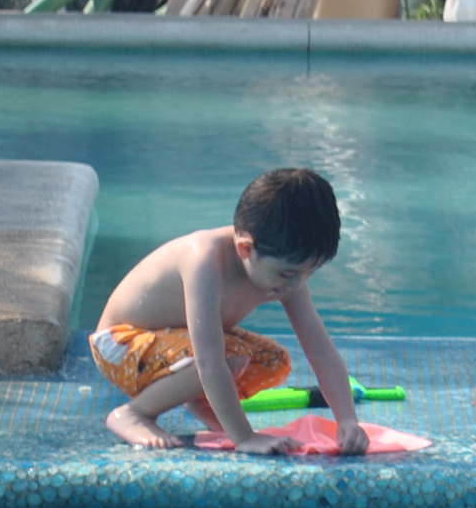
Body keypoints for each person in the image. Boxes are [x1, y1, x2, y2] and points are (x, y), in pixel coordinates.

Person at [92, 166, 368, 457]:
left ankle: (201, 404)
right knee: (228, 356)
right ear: (246, 249)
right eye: (288, 274)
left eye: (309, 273)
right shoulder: (205, 261)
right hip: (120, 347)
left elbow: (321, 350)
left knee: (273, 360)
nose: (297, 284)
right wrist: (244, 437)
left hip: (167, 347)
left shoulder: (285, 271)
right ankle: (134, 414)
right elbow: (209, 361)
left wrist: (347, 420)